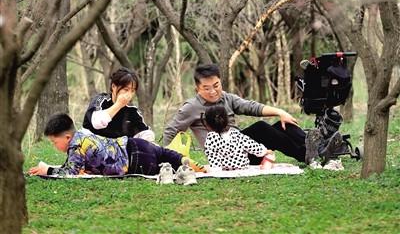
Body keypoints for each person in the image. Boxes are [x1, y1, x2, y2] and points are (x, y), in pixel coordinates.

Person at [163, 63, 308, 163]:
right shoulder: (191, 107)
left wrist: (280, 112)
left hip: (242, 145)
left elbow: (251, 107)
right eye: (207, 88)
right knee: (261, 128)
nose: (213, 92)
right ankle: (304, 155)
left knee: (285, 124)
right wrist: (168, 160)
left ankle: (314, 146)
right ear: (198, 89)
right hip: (225, 156)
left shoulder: (226, 98)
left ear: (220, 82)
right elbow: (171, 131)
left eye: (216, 85)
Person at [29, 113, 204, 179]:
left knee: (162, 169)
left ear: (67, 137)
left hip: (135, 162)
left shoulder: (75, 146)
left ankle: (176, 168)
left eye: (54, 142)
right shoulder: (83, 133)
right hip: (135, 143)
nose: (54, 146)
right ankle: (193, 165)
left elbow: (71, 172)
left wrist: (48, 170)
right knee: (165, 154)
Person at [82, 67, 155, 141]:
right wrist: (118, 105)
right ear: (113, 87)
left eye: (132, 91)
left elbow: (144, 131)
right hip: (91, 144)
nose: (129, 94)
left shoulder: (132, 109)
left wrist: (150, 140)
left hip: (118, 147)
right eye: (126, 90)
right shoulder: (100, 100)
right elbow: (97, 123)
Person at [203, 105, 276, 170]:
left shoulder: (210, 139)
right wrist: (265, 151)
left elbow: (213, 156)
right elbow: (251, 145)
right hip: (243, 168)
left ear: (208, 125)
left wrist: (216, 170)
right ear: (227, 120)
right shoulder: (236, 134)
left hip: (225, 169)